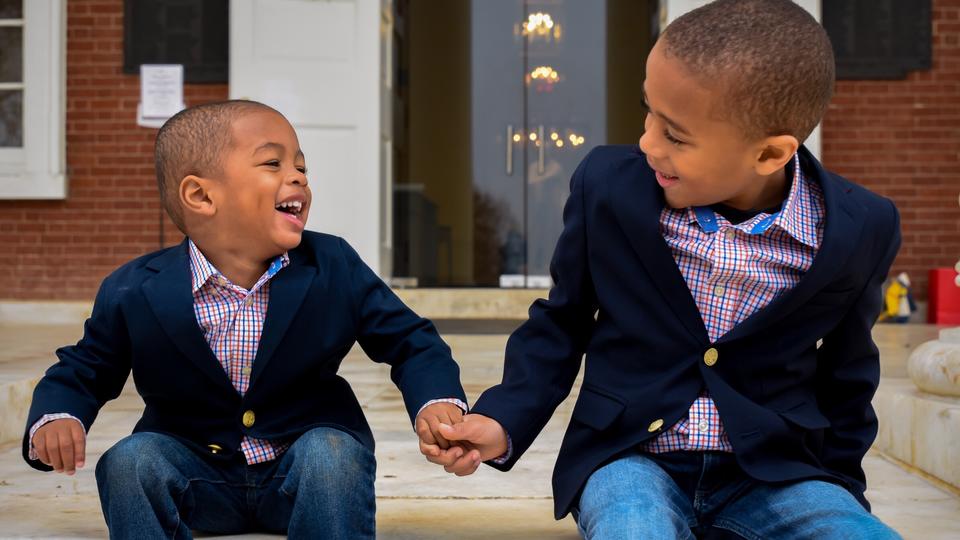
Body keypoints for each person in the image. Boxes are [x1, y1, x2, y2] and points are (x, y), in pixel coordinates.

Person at [430, 1, 902, 538]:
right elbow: (561, 323)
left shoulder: (860, 227)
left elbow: (849, 374)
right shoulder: (609, 187)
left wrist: (840, 491)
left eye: (675, 136)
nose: (647, 142)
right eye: (647, 110)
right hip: (630, 458)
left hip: (776, 472)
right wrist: (503, 418)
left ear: (770, 154)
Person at [23, 100, 466, 539]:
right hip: (197, 481)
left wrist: (436, 399)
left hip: (301, 476)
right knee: (128, 462)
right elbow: (85, 367)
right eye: (273, 163)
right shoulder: (135, 288)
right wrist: (58, 416)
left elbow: (411, 340)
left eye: (301, 167)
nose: (297, 177)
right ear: (200, 196)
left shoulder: (332, 264)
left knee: (333, 453)